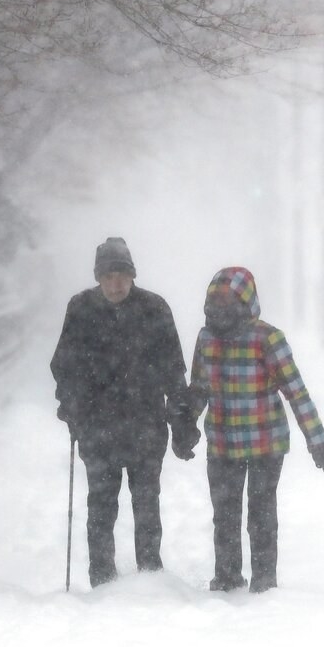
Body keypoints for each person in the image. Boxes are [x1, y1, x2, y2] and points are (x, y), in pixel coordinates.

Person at [50, 237, 197, 588]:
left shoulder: (154, 309)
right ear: (98, 278)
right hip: (98, 427)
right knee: (101, 507)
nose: (116, 284)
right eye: (108, 276)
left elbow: (173, 371)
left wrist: (181, 421)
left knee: (147, 504)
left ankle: (150, 576)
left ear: (132, 276)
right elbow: (64, 364)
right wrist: (70, 406)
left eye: (122, 276)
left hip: (146, 425)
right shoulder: (81, 308)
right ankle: (102, 579)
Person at [186, 267, 324, 594]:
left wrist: (318, 442)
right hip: (222, 443)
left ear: (245, 302)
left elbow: (296, 392)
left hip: (266, 443)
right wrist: (187, 424)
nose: (220, 307)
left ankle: (264, 581)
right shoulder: (206, 338)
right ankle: (227, 578)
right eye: (216, 301)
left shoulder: (267, 338)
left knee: (261, 512)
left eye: (228, 301)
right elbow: (199, 387)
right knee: (224, 514)